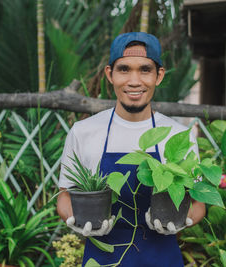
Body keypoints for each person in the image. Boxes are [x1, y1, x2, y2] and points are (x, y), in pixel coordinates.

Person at [57, 32, 205, 267]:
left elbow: (198, 202)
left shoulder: (178, 135)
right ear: (110, 74)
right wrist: (73, 219)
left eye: (145, 70)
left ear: (159, 76)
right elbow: (65, 195)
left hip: (163, 258)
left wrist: (183, 221)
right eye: (124, 69)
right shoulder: (83, 132)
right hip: (103, 257)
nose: (134, 81)